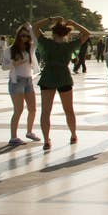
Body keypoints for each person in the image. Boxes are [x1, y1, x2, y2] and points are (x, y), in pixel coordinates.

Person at [32, 16, 90, 150]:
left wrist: (50, 19)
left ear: (53, 33)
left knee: (46, 111)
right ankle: (73, 134)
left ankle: (46, 140)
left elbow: (34, 27)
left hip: (48, 76)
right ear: (67, 34)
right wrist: (74, 22)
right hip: (64, 77)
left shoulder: (46, 43)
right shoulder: (70, 46)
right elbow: (87, 34)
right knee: (68, 109)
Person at [2, 23, 40, 146]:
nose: (25, 38)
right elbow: (3, 67)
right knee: (18, 110)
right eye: (22, 35)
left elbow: (37, 40)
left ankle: (29, 132)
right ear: (18, 36)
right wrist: (15, 64)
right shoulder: (9, 50)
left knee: (33, 109)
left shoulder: (30, 48)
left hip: (28, 80)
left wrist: (30, 28)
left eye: (27, 36)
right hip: (16, 81)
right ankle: (13, 137)